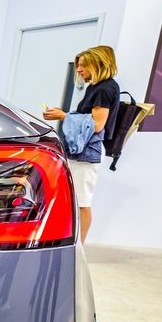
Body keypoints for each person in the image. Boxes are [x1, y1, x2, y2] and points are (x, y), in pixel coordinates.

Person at [43, 45, 120, 243]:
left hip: (87, 154)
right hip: (80, 152)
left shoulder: (105, 89)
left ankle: (79, 246)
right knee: (75, 200)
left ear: (99, 64)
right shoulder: (96, 87)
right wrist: (65, 114)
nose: (78, 70)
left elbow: (96, 124)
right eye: (78, 65)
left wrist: (64, 116)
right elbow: (88, 118)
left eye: (83, 65)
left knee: (82, 202)